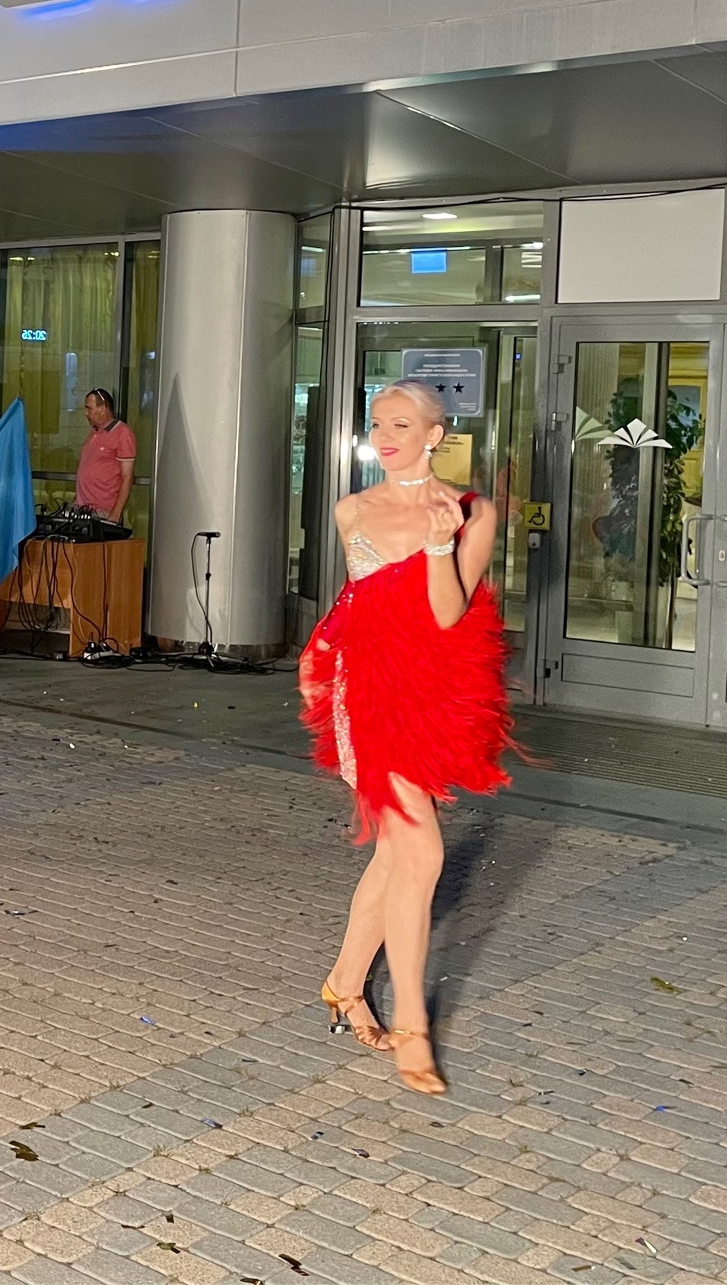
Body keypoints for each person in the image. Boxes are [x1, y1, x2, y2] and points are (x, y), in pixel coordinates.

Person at [298, 379, 509, 1098]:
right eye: (377, 423)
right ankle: (414, 1026)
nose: (384, 437)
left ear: (434, 434)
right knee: (422, 851)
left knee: (395, 856)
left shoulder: (473, 511)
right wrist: (317, 651)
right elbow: (356, 599)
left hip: (432, 697)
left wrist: (440, 544)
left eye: (401, 424)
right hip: (366, 694)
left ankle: (344, 984)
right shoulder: (352, 509)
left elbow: (448, 613)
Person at [74, 387, 135, 523]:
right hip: (82, 508)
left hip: (103, 511)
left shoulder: (123, 433)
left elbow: (127, 477)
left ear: (102, 408)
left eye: (89, 408)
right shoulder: (94, 432)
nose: (86, 413)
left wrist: (116, 514)